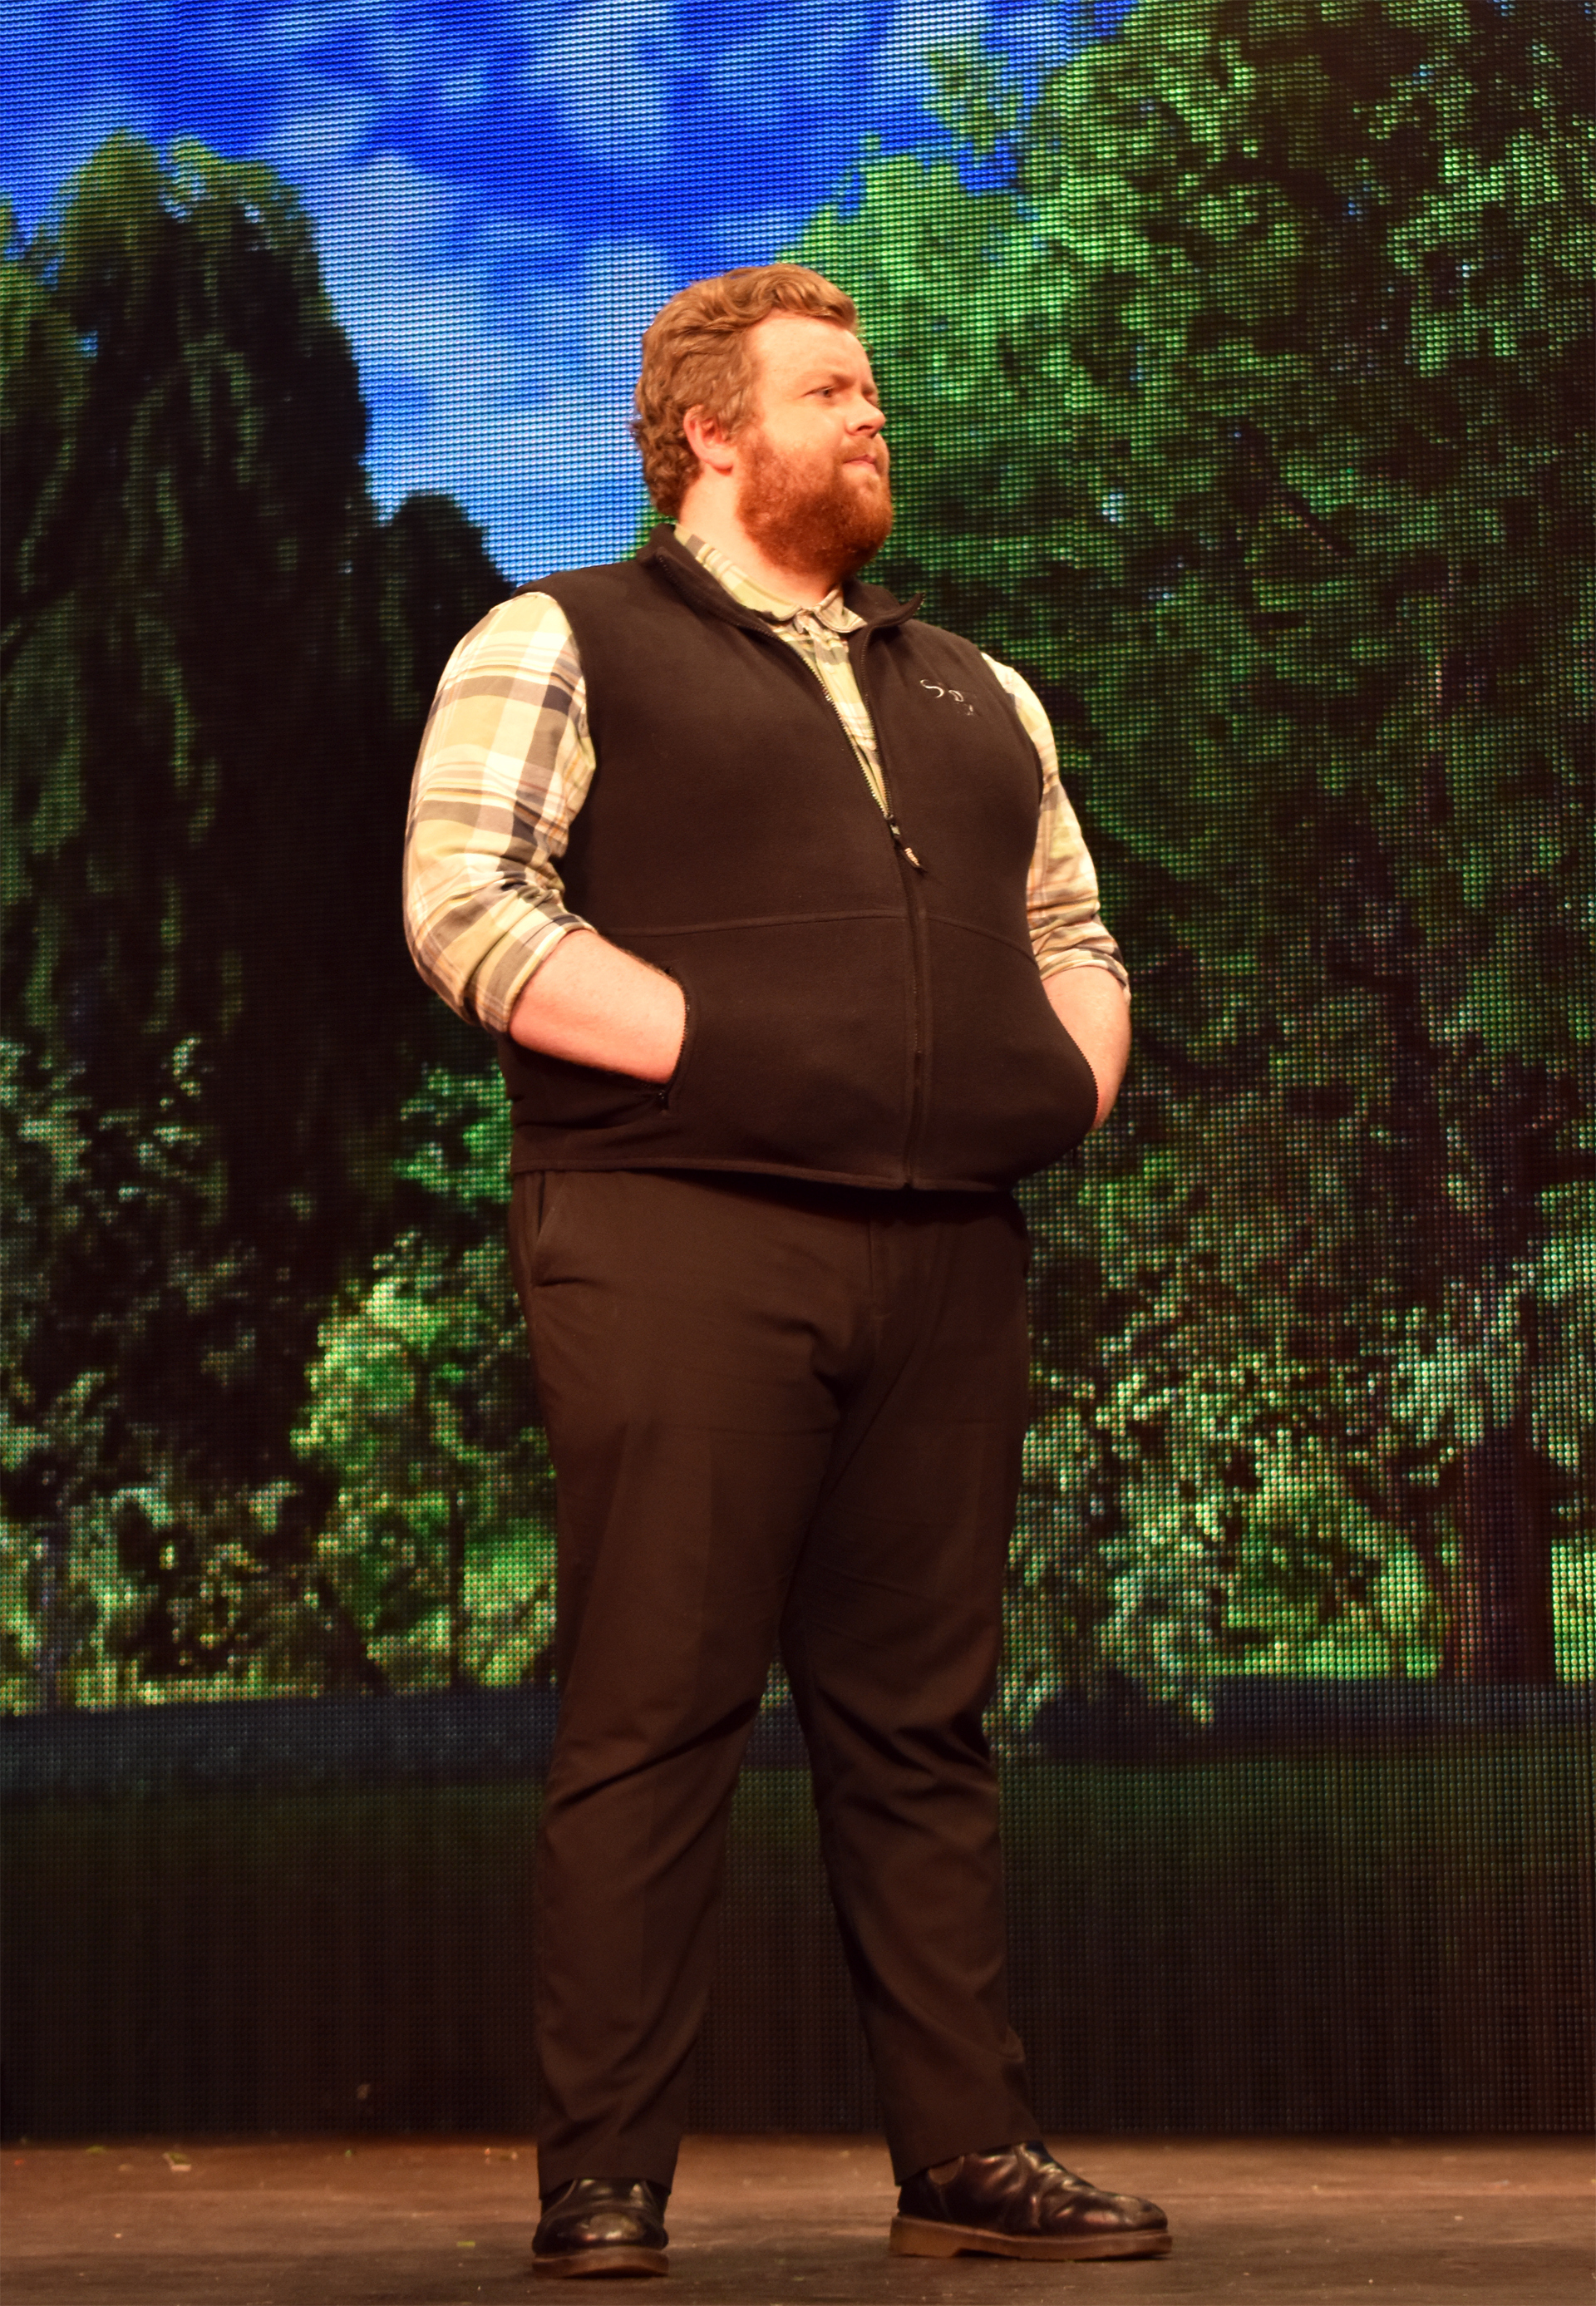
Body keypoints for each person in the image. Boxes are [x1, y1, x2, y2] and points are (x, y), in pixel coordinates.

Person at [403, 263, 1170, 2277]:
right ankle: (604, 2174)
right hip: (678, 1230)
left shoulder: (978, 687)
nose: (872, 413)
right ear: (710, 432)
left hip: (944, 1252)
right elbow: (466, 903)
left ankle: (966, 2151)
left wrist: (1065, 1088)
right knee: (659, 1703)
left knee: (922, 1720)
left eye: (873, 389)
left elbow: (1073, 930)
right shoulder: (559, 636)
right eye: (833, 388)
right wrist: (719, 1046)